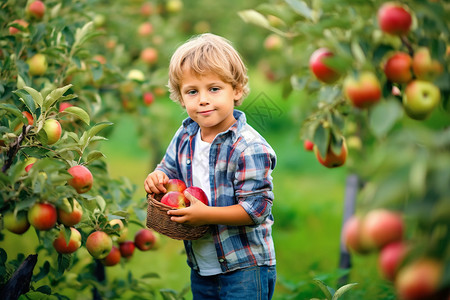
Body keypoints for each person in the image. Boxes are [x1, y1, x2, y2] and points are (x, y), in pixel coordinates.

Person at [144, 33, 277, 299]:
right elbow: (168, 170)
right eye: (192, 91)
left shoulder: (248, 147)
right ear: (181, 98)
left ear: (236, 90)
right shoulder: (185, 135)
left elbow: (257, 209)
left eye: (214, 89)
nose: (203, 99)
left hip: (245, 269)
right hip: (202, 267)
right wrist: (156, 177)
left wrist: (207, 215)